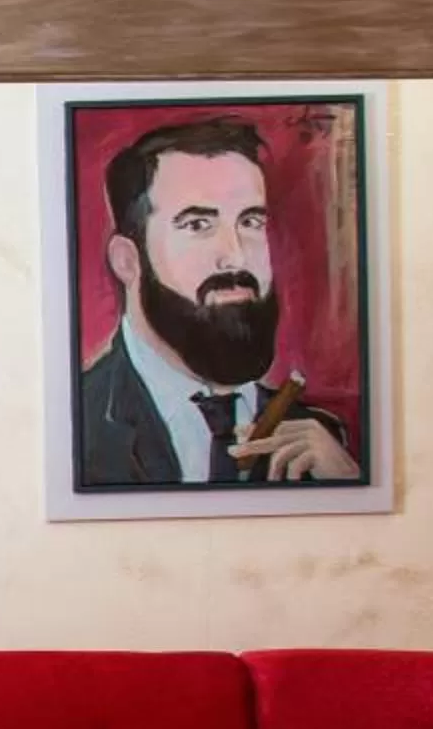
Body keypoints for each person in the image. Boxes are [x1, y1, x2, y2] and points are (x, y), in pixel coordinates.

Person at [76, 118, 358, 489]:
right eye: (198, 225)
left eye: (251, 221)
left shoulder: (319, 438)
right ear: (128, 260)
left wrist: (350, 485)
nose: (237, 258)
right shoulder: (77, 423)